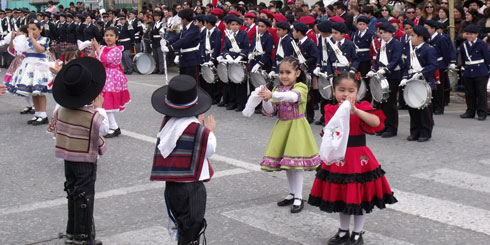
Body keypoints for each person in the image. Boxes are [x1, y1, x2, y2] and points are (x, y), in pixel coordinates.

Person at [308, 71, 397, 245]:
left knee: (358, 197)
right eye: (341, 90)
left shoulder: (362, 107)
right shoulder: (330, 109)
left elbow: (376, 123)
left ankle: (357, 232)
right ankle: (343, 230)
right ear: (334, 91)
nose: (346, 94)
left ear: (358, 92)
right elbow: (331, 131)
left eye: (351, 91)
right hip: (339, 158)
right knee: (343, 197)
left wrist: (356, 111)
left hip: (359, 158)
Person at [150, 75, 216, 245]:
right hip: (191, 186)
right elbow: (209, 150)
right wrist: (209, 131)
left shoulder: (168, 123)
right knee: (193, 226)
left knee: (183, 224)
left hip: (172, 185)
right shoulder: (197, 129)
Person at [52, 57, 108, 245]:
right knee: (84, 194)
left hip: (68, 155)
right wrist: (100, 109)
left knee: (72, 191)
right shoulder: (92, 115)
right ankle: (83, 236)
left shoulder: (61, 110)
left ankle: (72, 231)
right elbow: (104, 129)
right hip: (85, 158)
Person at [259, 56, 322, 213]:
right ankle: (292, 193)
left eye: (288, 72)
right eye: (281, 72)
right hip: (282, 127)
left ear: (297, 73)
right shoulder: (277, 90)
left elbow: (292, 97)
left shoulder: (301, 87)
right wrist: (265, 99)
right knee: (288, 164)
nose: (284, 76)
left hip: (297, 127)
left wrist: (272, 95)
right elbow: (270, 110)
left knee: (296, 164)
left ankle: (299, 196)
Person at [6, 19, 54, 125]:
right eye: (30, 29)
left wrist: (32, 39)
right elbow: (15, 50)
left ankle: (43, 115)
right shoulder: (26, 40)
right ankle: (37, 114)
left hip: (39, 67)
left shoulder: (44, 39)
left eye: (34, 29)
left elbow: (40, 50)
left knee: (40, 92)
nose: (32, 32)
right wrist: (15, 38)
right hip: (28, 65)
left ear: (40, 30)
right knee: (33, 92)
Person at [400, 26, 438, 142]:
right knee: (413, 107)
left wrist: (421, 73)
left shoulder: (428, 49)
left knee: (424, 109)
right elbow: (407, 66)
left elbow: (433, 66)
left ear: (421, 37)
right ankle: (414, 131)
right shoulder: (411, 49)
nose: (410, 38)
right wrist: (404, 77)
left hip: (424, 82)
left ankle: (425, 132)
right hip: (412, 81)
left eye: (413, 36)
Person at [91, 27, 131, 137]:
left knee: (106, 101)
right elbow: (94, 58)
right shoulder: (103, 47)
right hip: (103, 75)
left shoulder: (117, 50)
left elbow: (105, 60)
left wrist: (98, 49)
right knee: (102, 101)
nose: (108, 37)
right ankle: (112, 126)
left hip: (112, 77)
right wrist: (94, 49)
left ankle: (113, 127)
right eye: (106, 35)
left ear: (116, 37)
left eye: (111, 35)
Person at [367, 22, 402, 138]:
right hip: (381, 75)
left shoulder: (396, 44)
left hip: (392, 75)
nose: (383, 35)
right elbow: (378, 60)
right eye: (382, 33)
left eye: (385, 33)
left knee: (390, 103)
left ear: (392, 33)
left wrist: (386, 70)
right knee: (381, 102)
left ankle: (392, 128)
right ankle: (383, 126)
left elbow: (396, 60)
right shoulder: (382, 44)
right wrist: (373, 69)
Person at [218, 15, 249, 112]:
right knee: (231, 82)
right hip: (231, 61)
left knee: (240, 83)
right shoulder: (228, 35)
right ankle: (232, 102)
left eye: (236, 24)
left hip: (239, 61)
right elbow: (225, 48)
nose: (234, 26)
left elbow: (245, 48)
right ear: (230, 26)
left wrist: (240, 56)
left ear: (240, 25)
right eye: (232, 24)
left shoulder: (243, 34)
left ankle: (241, 103)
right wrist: (227, 56)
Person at [459, 24, 490, 121]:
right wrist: (465, 67)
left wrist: (486, 70)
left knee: (481, 93)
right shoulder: (463, 44)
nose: (469, 36)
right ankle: (470, 111)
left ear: (476, 34)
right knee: (469, 93)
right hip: (468, 71)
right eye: (467, 34)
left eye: (471, 34)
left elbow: (487, 58)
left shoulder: (482, 44)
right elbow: (463, 59)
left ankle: (482, 112)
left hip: (480, 71)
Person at [164, 9, 201, 82]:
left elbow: (184, 40)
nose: (180, 21)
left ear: (185, 19)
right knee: (183, 82)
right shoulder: (185, 28)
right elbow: (178, 36)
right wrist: (166, 42)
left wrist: (170, 48)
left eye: (181, 19)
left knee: (192, 82)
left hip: (192, 60)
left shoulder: (195, 28)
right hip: (183, 59)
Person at [292, 22, 318, 123]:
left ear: (299, 32)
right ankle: (300, 112)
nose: (293, 33)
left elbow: (314, 56)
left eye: (294, 31)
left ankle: (310, 115)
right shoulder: (297, 42)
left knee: (308, 94)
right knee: (298, 91)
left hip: (307, 71)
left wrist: (305, 64)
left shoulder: (309, 43)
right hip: (298, 71)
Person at [4, 25, 31, 114]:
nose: (17, 32)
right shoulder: (18, 40)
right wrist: (12, 39)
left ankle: (34, 106)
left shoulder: (28, 41)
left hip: (27, 63)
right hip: (18, 62)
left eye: (18, 31)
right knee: (21, 85)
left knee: (28, 84)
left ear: (23, 33)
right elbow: (12, 49)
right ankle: (28, 105)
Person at [200, 15, 222, 104]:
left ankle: (215, 97)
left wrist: (212, 59)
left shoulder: (217, 32)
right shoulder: (205, 31)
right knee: (206, 76)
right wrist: (202, 56)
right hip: (206, 55)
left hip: (213, 55)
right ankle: (208, 95)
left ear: (209, 23)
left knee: (214, 78)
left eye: (205, 22)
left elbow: (217, 47)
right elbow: (202, 43)